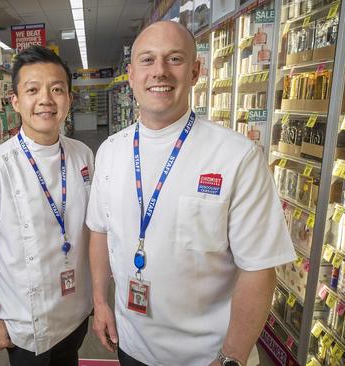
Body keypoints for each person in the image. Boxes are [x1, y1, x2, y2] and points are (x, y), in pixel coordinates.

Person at [86, 21, 296, 366]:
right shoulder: (110, 150)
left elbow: (259, 269)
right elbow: (99, 229)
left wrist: (231, 358)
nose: (160, 72)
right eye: (147, 60)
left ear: (196, 71)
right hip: (131, 345)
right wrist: (100, 302)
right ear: (130, 73)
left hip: (207, 356)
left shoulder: (235, 156)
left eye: (175, 59)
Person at [0, 45, 94, 366]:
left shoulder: (83, 155)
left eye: (57, 89)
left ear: (69, 99)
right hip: (28, 325)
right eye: (33, 90)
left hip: (77, 310)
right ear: (15, 101)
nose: (46, 99)